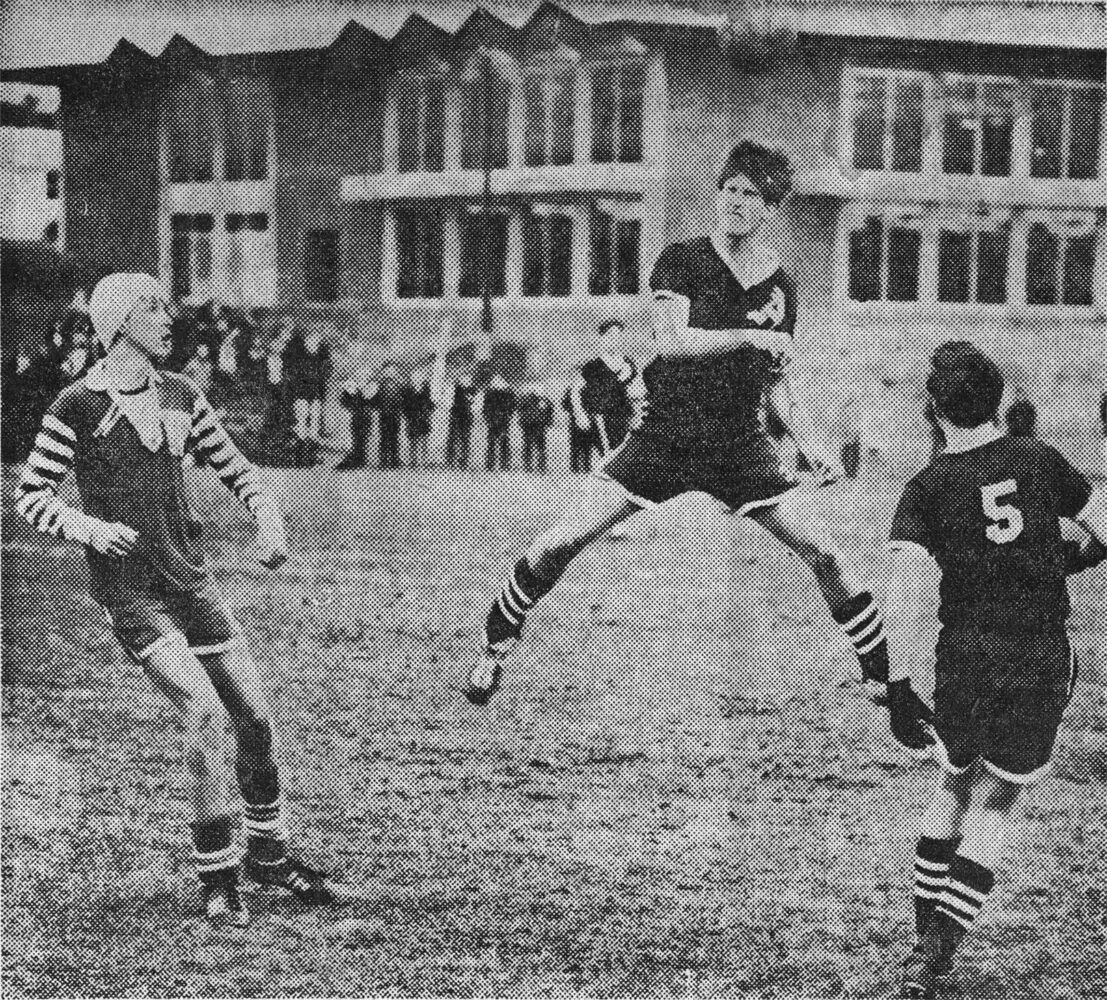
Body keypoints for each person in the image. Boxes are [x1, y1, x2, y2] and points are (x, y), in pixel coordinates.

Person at [465, 141, 927, 741]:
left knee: (827, 553)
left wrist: (803, 435)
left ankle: (887, 686)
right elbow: (667, 341)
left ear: (772, 210)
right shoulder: (680, 259)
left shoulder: (780, 287)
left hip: (741, 442)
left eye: (751, 198)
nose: (734, 206)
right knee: (562, 539)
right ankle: (494, 646)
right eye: (728, 193)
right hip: (666, 434)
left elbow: (773, 377)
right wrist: (744, 340)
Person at [12, 273, 351, 925]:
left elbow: (236, 468)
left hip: (191, 583)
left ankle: (270, 858)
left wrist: (269, 520)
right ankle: (218, 875)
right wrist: (87, 526)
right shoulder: (76, 404)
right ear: (117, 323)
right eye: (153, 307)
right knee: (204, 711)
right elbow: (30, 495)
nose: (168, 318)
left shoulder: (183, 394)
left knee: (253, 718)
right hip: (131, 592)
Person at [886, 342, 1106, 999]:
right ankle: (938, 951)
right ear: (1001, 401)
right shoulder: (1038, 459)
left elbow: (903, 591)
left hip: (965, 656)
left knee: (953, 783)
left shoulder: (925, 488)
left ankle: (924, 937)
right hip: (1038, 652)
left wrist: (896, 685)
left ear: (933, 410)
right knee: (999, 799)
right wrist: (1070, 559)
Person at [580, 320, 637, 457]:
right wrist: (580, 414)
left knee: (623, 454)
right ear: (602, 338)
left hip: (624, 415)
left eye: (618, 336)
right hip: (601, 416)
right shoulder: (593, 365)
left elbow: (635, 390)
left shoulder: (628, 363)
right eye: (610, 335)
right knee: (607, 455)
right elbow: (576, 390)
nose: (614, 340)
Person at [285, 320, 332, 467]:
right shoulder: (298, 351)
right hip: (301, 392)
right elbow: (292, 370)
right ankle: (300, 457)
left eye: (316, 336)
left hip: (317, 392)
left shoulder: (323, 351)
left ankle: (311, 455)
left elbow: (328, 369)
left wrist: (320, 378)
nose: (314, 339)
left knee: (314, 423)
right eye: (311, 336)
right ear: (306, 337)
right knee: (301, 421)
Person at [336, 371, 378, 471]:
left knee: (363, 438)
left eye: (364, 375)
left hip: (365, 417)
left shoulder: (371, 387)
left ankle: (360, 459)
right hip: (355, 417)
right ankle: (356, 459)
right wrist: (351, 393)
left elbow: (375, 403)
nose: (362, 377)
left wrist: (369, 396)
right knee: (355, 439)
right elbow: (343, 402)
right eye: (360, 375)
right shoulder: (351, 387)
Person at [517, 382, 554, 474]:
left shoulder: (543, 400)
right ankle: (531, 465)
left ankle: (537, 465)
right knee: (532, 445)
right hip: (531, 425)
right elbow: (520, 411)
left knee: (537, 445)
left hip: (536, 425)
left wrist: (547, 422)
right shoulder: (529, 399)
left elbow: (550, 411)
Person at [373, 364, 404, 469]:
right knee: (384, 438)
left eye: (393, 370)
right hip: (384, 415)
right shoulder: (380, 385)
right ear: (385, 372)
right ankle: (383, 461)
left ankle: (395, 460)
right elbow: (376, 400)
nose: (391, 372)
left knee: (395, 437)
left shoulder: (400, 385)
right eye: (388, 370)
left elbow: (404, 399)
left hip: (395, 415)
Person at [483, 374, 516, 472]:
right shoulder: (507, 393)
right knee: (500, 442)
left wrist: (488, 418)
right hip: (500, 420)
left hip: (497, 420)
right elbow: (512, 406)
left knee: (495, 442)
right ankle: (501, 463)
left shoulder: (490, 393)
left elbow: (485, 408)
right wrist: (508, 415)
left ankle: (493, 463)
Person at [563, 372, 594, 473]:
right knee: (575, 445)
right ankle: (575, 467)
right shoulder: (571, 391)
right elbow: (564, 404)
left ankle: (586, 466)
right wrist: (573, 412)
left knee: (587, 445)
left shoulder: (590, 389)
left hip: (588, 420)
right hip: (574, 422)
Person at [402, 371, 434, 469]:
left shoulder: (426, 390)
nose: (417, 379)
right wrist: (408, 416)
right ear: (412, 380)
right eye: (415, 378)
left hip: (423, 419)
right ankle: (413, 462)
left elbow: (431, 404)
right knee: (413, 441)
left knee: (424, 441)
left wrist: (428, 413)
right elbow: (404, 405)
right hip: (412, 418)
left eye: (420, 377)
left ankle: (424, 461)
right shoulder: (408, 391)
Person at [445, 374, 476, 470]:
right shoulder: (456, 388)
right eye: (463, 377)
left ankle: (464, 461)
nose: (465, 379)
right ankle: (450, 460)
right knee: (453, 438)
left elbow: (474, 403)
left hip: (466, 418)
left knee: (465, 440)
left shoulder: (472, 390)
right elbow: (449, 401)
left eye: (467, 378)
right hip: (456, 416)